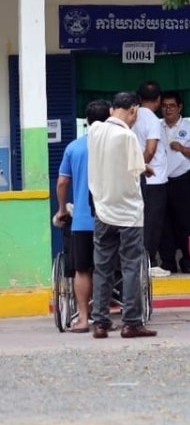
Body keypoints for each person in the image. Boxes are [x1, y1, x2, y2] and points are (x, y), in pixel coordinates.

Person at [87, 92, 156, 339]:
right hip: (128, 213)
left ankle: (101, 322)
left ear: (111, 110)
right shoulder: (127, 136)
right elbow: (137, 167)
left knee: (102, 268)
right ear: (133, 110)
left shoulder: (95, 131)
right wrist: (146, 169)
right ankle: (131, 322)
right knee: (129, 267)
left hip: (103, 210)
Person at [55, 99, 110, 333]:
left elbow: (62, 182)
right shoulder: (114, 147)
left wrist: (61, 209)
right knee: (103, 268)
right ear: (109, 118)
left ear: (86, 121)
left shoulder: (74, 148)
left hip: (82, 221)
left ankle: (83, 319)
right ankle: (102, 317)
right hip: (109, 217)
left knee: (81, 269)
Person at [158, 91, 190, 275]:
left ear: (180, 107)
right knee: (164, 223)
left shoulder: (189, 127)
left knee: (186, 222)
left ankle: (188, 261)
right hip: (161, 181)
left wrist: (183, 148)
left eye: (171, 106)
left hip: (182, 180)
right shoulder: (157, 126)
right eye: (164, 106)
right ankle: (168, 262)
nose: (168, 109)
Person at [132, 81, 170, 277]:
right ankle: (149, 261)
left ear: (139, 98)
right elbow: (151, 149)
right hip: (153, 179)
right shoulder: (153, 120)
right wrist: (141, 167)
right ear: (158, 99)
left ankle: (142, 260)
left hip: (137, 179)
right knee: (153, 223)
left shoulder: (132, 115)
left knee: (141, 220)